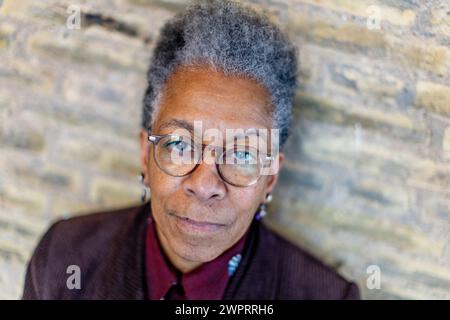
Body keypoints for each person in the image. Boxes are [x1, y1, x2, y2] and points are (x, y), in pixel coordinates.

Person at [22, 0, 359, 300]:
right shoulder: (64, 259)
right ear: (146, 155)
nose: (205, 184)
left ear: (270, 178)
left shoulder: (326, 295)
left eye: (243, 155)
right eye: (180, 145)